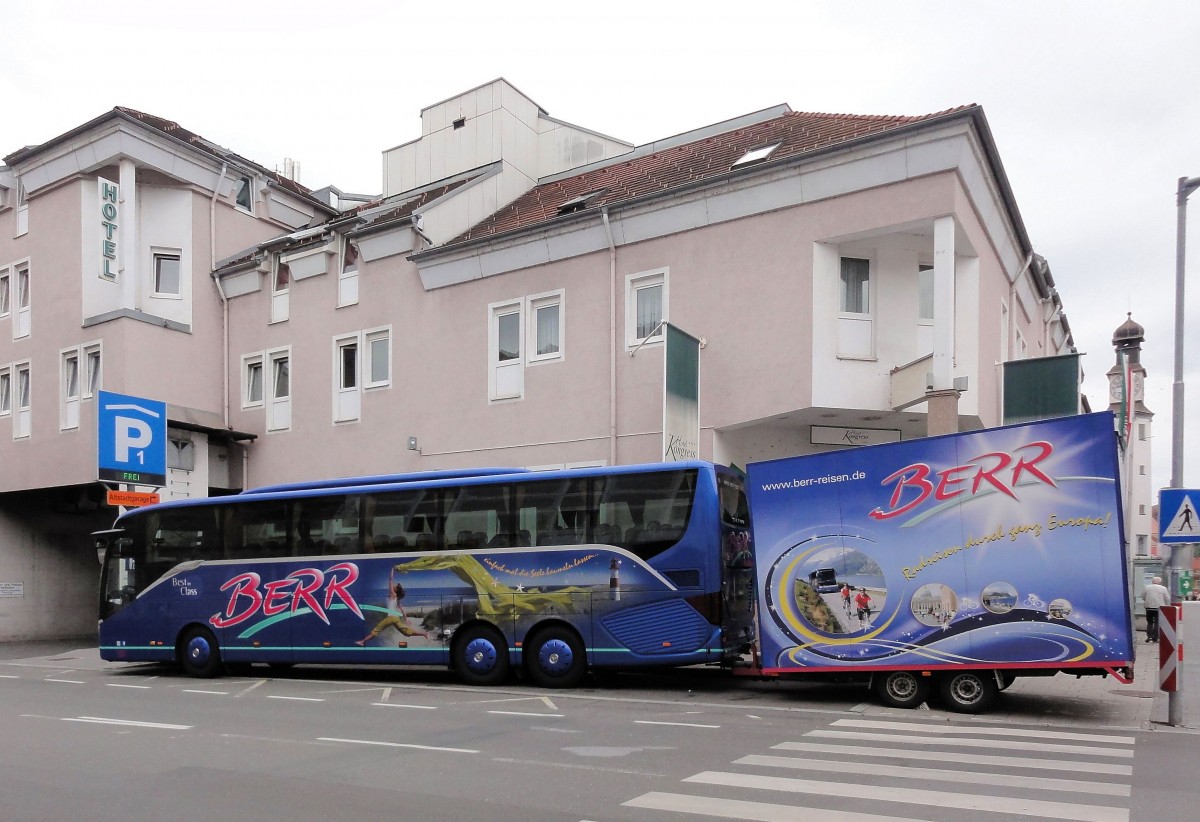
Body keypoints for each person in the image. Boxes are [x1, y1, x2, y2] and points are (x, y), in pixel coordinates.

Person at [356, 570, 430, 646]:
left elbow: (390, 580)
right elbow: (401, 608)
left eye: (395, 586)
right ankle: (424, 633)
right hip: (395, 618)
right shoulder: (396, 597)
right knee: (405, 631)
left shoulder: (393, 594)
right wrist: (406, 618)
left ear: (396, 590)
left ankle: (362, 641)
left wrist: (392, 570)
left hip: (391, 617)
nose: (393, 585)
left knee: (377, 629)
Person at [1142, 576, 1170, 643]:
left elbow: (1143, 596)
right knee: (1157, 622)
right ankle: (1156, 637)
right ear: (1160, 582)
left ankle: (1149, 636)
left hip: (1148, 608)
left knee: (1150, 622)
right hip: (1159, 608)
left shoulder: (1147, 587)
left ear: (1152, 581)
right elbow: (1167, 598)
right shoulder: (1163, 588)